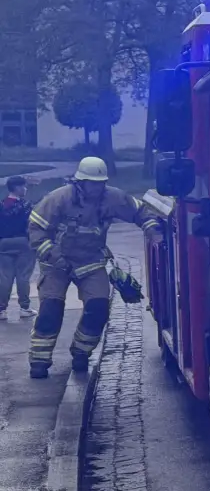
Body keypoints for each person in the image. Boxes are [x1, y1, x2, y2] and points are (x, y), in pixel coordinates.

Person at [27, 157, 163, 378]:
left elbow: (140, 211)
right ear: (80, 182)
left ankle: (81, 352)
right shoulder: (59, 198)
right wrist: (53, 255)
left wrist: (152, 229)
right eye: (92, 183)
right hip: (56, 264)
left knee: (98, 307)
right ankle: (39, 360)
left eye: (100, 183)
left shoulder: (112, 197)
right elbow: (36, 227)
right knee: (50, 310)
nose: (97, 187)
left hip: (91, 261)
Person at [1, 176, 36, 320]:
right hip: (23, 242)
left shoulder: (1, 205)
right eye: (24, 186)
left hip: (3, 243)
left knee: (4, 277)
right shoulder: (26, 206)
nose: (25, 189)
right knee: (23, 276)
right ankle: (24, 307)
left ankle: (1, 309)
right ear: (18, 188)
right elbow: (32, 224)